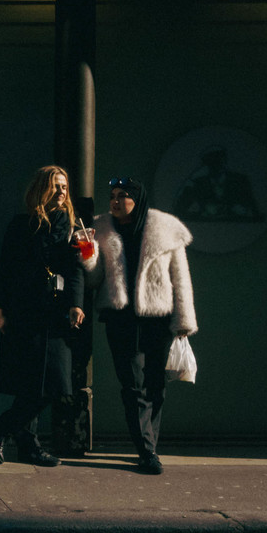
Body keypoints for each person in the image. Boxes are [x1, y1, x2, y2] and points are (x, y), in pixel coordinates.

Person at [80, 176, 197, 475]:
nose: (115, 201)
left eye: (122, 196)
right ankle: (146, 450)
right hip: (120, 318)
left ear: (137, 198)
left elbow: (180, 278)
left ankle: (150, 446)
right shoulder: (101, 228)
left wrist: (183, 320)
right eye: (112, 196)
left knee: (156, 384)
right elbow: (94, 281)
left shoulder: (164, 229)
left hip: (157, 319)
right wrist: (89, 256)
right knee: (132, 386)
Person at [0, 165, 89, 468]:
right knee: (31, 382)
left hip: (56, 314)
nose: (61, 191)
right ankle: (29, 447)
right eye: (55, 186)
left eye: (64, 186)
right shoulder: (21, 225)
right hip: (24, 311)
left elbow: (77, 270)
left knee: (54, 383)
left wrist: (76, 304)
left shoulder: (73, 226)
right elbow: (3, 270)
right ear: (41, 189)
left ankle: (1, 426)